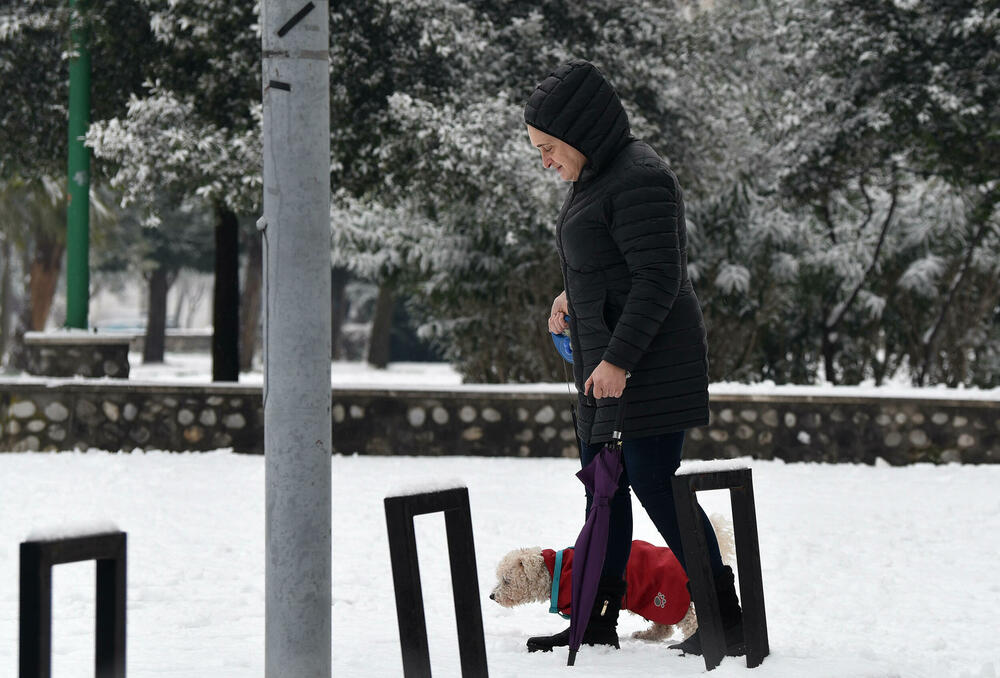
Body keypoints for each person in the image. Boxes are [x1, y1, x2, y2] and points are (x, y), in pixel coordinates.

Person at [523, 59, 744, 657]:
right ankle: (595, 617)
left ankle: (727, 617)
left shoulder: (641, 176)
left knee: (651, 481)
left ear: (579, 132)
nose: (545, 161)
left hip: (647, 366)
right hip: (606, 365)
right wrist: (570, 297)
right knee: (604, 488)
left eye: (548, 147)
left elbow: (658, 278)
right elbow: (613, 263)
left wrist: (619, 360)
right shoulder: (599, 177)